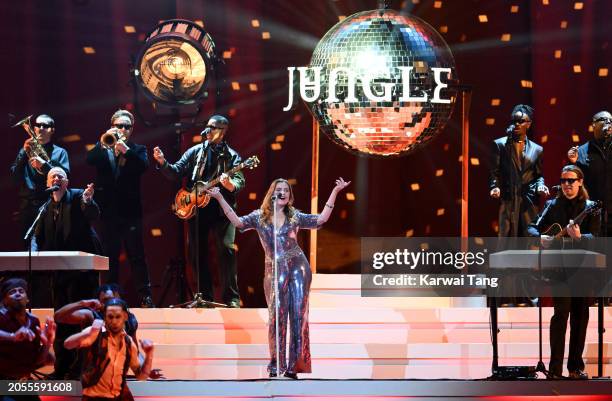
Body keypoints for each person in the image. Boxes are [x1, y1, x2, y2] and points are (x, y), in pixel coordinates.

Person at [207, 177, 350, 379]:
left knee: (298, 315)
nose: (282, 192)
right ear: (272, 193)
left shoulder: (294, 216)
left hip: (298, 266)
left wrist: (335, 191)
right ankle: (276, 363)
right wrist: (220, 197)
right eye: (279, 189)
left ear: (289, 196)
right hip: (274, 269)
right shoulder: (259, 217)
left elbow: (320, 220)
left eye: (286, 190)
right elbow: (238, 222)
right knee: (277, 317)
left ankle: (294, 366)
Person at [153, 115, 245, 308]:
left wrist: (229, 184)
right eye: (208, 127)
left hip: (222, 211)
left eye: (213, 128)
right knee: (196, 253)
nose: (208, 131)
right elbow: (176, 171)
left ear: (223, 130)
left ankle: (232, 298)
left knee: (226, 250)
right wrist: (162, 163)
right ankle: (205, 297)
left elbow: (239, 182)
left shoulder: (232, 156)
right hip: (197, 210)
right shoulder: (196, 151)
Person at [527, 165, 600, 379]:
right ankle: (556, 370)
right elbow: (532, 226)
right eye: (563, 180)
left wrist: (580, 238)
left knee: (580, 318)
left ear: (580, 182)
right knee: (560, 316)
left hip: (583, 272)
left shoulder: (590, 207)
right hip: (559, 270)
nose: (567, 184)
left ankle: (575, 368)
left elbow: (597, 237)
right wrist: (540, 238)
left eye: (571, 180)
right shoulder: (552, 205)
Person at [31, 166, 101, 379]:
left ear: (67, 182)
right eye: (53, 176)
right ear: (47, 183)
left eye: (61, 176)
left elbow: (92, 213)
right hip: (59, 271)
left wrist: (88, 200)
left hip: (82, 271)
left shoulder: (79, 196)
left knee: (81, 320)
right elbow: (36, 235)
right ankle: (61, 368)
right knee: (61, 320)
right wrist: (33, 251)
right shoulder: (45, 208)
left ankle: (81, 369)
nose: (57, 178)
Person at [86, 109, 154, 308]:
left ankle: (145, 296)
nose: (123, 129)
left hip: (131, 213)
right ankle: (109, 296)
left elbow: (143, 166)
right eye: (119, 126)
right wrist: (101, 143)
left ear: (132, 129)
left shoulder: (137, 149)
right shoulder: (103, 146)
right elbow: (89, 160)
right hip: (108, 213)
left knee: (137, 255)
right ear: (112, 126)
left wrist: (125, 150)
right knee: (110, 255)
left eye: (127, 126)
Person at [489, 104, 548, 307]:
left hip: (528, 206)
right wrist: (494, 187)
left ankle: (530, 300)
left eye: (520, 121)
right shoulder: (500, 145)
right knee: (505, 250)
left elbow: (538, 176)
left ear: (528, 124)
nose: (515, 124)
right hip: (508, 204)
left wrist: (541, 187)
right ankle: (504, 298)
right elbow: (495, 173)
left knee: (529, 249)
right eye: (513, 120)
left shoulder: (537, 150)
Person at [64, 298, 154, 401]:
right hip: (94, 398)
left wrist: (149, 354)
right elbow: (68, 344)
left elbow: (141, 376)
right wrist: (88, 334)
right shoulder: (95, 333)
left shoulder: (129, 343)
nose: (114, 321)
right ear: (105, 318)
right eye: (110, 317)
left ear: (125, 316)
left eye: (118, 317)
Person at [10, 114, 70, 240]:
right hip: (27, 205)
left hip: (48, 204)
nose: (41, 128)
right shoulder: (24, 150)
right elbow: (14, 178)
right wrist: (23, 154)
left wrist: (44, 166)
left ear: (52, 130)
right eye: (38, 125)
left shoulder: (60, 152)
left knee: (47, 244)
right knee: (27, 248)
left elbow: (64, 178)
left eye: (45, 126)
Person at [0, 278, 56, 384]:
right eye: (12, 292)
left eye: (21, 291)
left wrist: (47, 343)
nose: (18, 294)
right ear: (4, 300)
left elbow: (38, 361)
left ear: (27, 299)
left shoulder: (33, 321)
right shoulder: (1, 316)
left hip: (24, 382)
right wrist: (12, 336)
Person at [568, 111, 612, 236]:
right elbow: (574, 179)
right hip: (593, 214)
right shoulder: (582, 151)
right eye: (603, 119)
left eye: (610, 121)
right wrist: (572, 163)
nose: (608, 123)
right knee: (595, 253)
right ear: (593, 124)